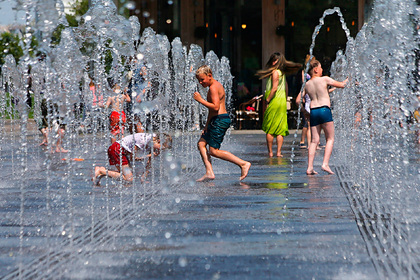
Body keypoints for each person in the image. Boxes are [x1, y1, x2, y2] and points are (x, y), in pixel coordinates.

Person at [193, 65, 251, 182]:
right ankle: (209, 172)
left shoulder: (214, 87)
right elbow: (212, 111)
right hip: (215, 119)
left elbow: (215, 107)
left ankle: (243, 163)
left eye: (202, 79)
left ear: (209, 76)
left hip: (220, 120)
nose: (200, 82)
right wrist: (206, 126)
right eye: (198, 80)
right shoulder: (213, 86)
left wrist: (201, 100)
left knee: (214, 151)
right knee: (201, 144)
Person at [302, 59, 348, 175]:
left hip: (313, 111)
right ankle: (325, 164)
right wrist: (350, 77)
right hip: (324, 110)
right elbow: (342, 85)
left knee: (314, 141)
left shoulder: (307, 84)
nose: (322, 70)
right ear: (316, 69)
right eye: (321, 67)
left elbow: (299, 100)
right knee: (330, 138)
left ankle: (310, 167)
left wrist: (305, 112)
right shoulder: (325, 79)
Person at [256, 52, 301, 157]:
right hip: (281, 101)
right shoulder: (282, 73)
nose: (273, 62)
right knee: (280, 127)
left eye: (275, 60)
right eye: (273, 60)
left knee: (270, 128)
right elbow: (286, 87)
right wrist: (285, 99)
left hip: (274, 101)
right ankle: (279, 152)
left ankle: (271, 152)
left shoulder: (275, 72)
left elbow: (274, 88)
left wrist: (267, 100)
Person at [93, 132, 172, 185]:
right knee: (129, 179)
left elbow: (149, 162)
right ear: (159, 141)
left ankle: (101, 172)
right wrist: (149, 156)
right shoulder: (143, 140)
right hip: (117, 150)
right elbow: (133, 158)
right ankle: (101, 171)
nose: (161, 150)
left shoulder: (153, 142)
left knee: (126, 176)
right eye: (163, 147)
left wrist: (143, 177)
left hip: (119, 151)